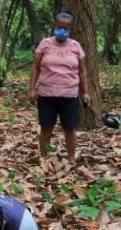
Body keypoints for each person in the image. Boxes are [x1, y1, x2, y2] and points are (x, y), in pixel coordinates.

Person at [29, 11, 90, 162]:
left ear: (70, 30)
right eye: (59, 27)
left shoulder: (76, 46)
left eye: (66, 28)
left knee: (69, 128)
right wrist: (32, 89)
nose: (62, 31)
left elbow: (82, 71)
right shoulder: (45, 44)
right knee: (46, 128)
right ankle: (44, 157)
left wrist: (86, 93)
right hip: (46, 95)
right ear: (54, 26)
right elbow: (35, 68)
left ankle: (71, 158)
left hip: (69, 95)